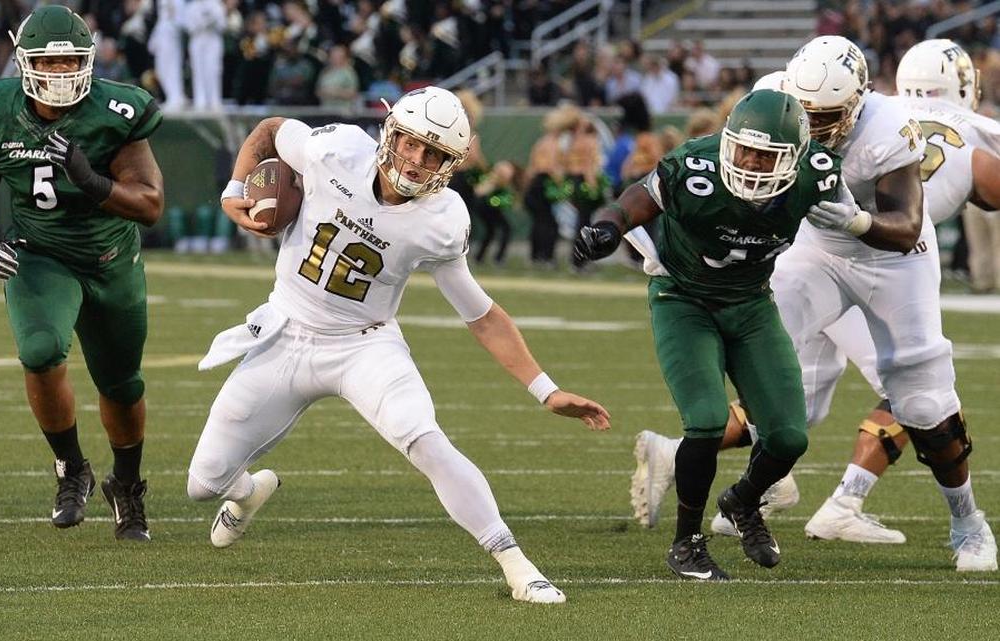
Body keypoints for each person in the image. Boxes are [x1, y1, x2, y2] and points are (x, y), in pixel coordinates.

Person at [187, 86, 611, 604]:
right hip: (286, 331)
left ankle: (517, 566)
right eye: (412, 143)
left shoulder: (442, 219)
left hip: (365, 345)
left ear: (451, 162)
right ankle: (249, 494)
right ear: (391, 133)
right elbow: (272, 130)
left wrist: (546, 390)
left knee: (425, 438)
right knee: (203, 484)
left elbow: (481, 315)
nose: (417, 160)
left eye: (434, 153)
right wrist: (234, 188)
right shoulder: (336, 149)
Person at [631, 36, 998, 572]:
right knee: (773, 373)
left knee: (921, 398)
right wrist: (668, 243)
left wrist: (856, 220)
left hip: (893, 256)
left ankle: (968, 522)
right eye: (806, 112)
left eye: (827, 116)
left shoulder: (888, 127)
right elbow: (709, 169)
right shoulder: (770, 101)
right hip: (814, 249)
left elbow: (906, 229)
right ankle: (753, 488)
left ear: (859, 99)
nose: (814, 126)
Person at [574, 88, 857, 580]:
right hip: (684, 299)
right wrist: (608, 227)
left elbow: (845, 221)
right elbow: (636, 200)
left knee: (789, 436)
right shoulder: (696, 166)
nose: (747, 161)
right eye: (742, 147)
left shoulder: (817, 172)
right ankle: (687, 544)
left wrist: (856, 220)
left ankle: (742, 502)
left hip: (750, 303)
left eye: (764, 154)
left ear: (793, 157)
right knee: (705, 419)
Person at [0, 5, 164, 542]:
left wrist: (92, 181)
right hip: (39, 253)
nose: (61, 74)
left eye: (71, 61)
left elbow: (150, 204)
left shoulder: (116, 111)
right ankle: (71, 467)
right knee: (40, 350)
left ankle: (128, 486)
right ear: (24, 63)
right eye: (48, 63)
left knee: (121, 384)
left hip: (110, 259)